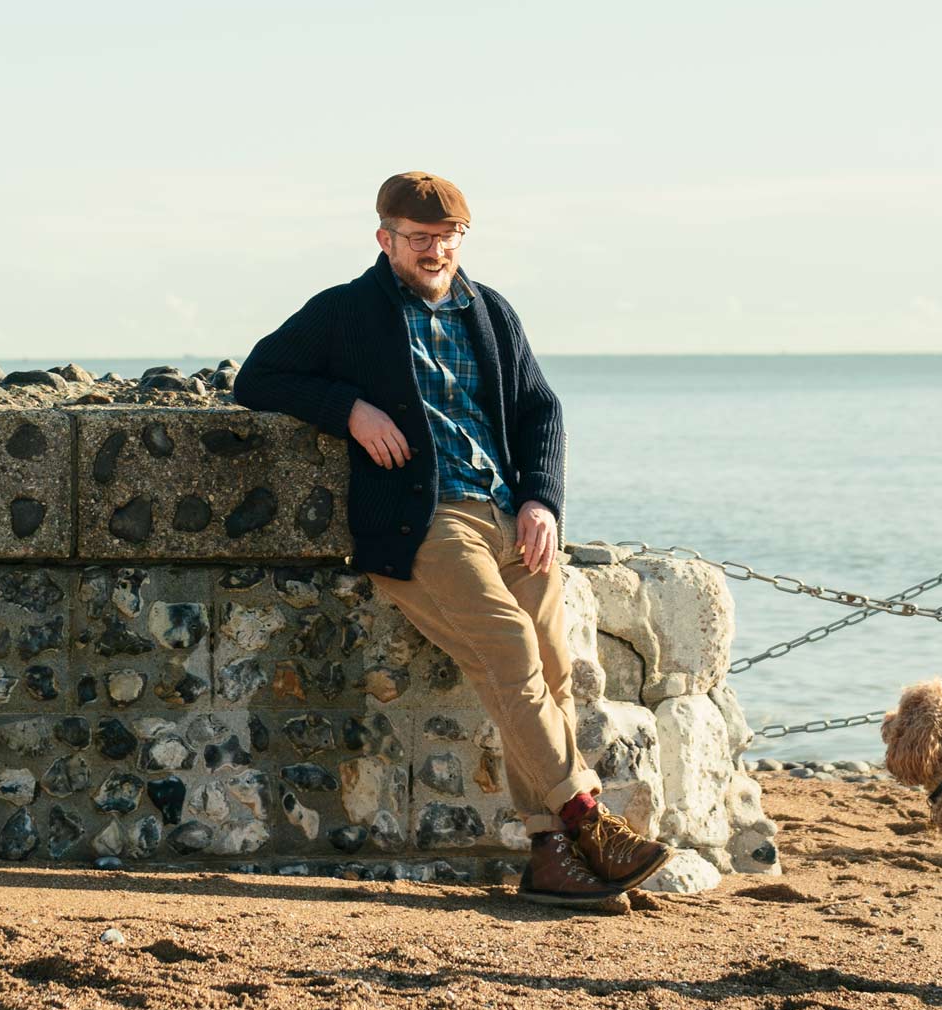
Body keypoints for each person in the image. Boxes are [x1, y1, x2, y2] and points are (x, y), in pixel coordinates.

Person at [233, 171, 674, 907]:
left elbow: (540, 409)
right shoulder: (348, 311)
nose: (434, 251)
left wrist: (542, 499)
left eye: (447, 238)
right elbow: (259, 376)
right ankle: (584, 816)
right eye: (418, 239)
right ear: (385, 239)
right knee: (508, 647)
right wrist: (350, 410)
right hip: (424, 519)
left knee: (552, 669)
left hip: (508, 513)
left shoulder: (491, 312)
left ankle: (549, 860)